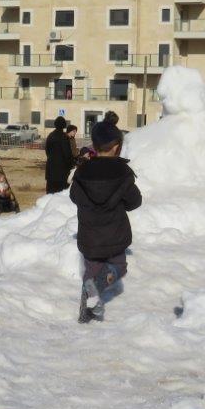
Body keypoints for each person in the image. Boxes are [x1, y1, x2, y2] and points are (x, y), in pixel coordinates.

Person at [70, 120, 141, 323]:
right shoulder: (122, 172)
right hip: (115, 236)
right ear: (117, 146)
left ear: (94, 144)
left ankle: (87, 302)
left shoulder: (82, 171)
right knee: (119, 266)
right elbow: (135, 202)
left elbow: (74, 197)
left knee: (91, 269)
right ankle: (95, 292)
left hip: (90, 237)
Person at [44, 117, 75, 194]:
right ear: (64, 125)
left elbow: (47, 151)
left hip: (50, 170)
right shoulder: (64, 137)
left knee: (50, 195)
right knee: (60, 195)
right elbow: (67, 154)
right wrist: (72, 164)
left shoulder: (50, 135)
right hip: (62, 172)